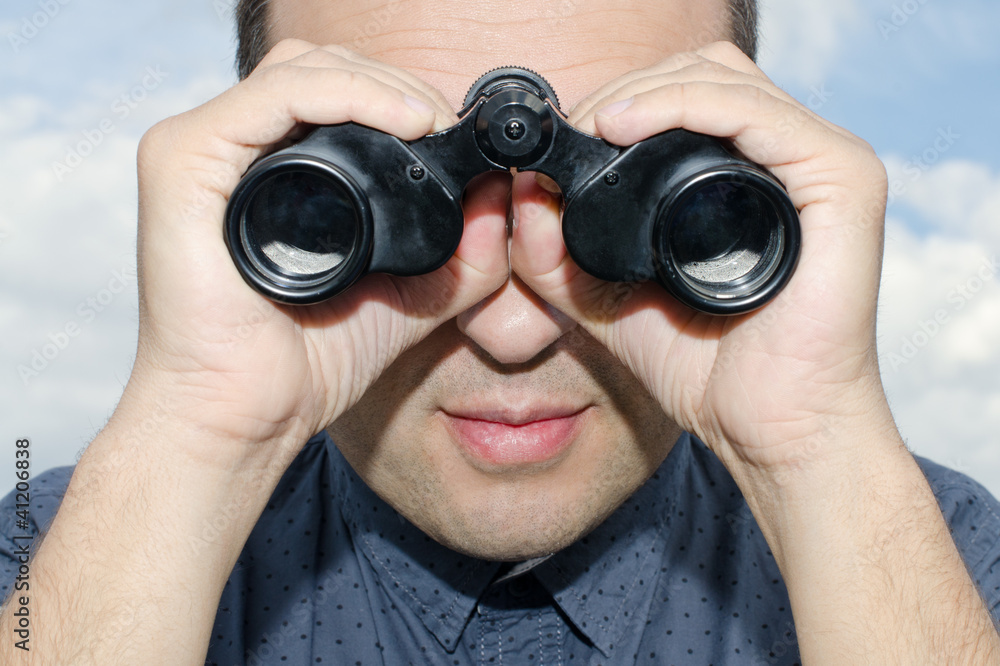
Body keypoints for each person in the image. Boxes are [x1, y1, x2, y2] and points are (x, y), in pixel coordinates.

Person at [2, 0, 1000, 663]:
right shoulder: (48, 564)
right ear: (259, 184)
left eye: (632, 180)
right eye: (393, 191)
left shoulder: (951, 567)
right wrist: (198, 432)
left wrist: (816, 446)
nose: (517, 329)